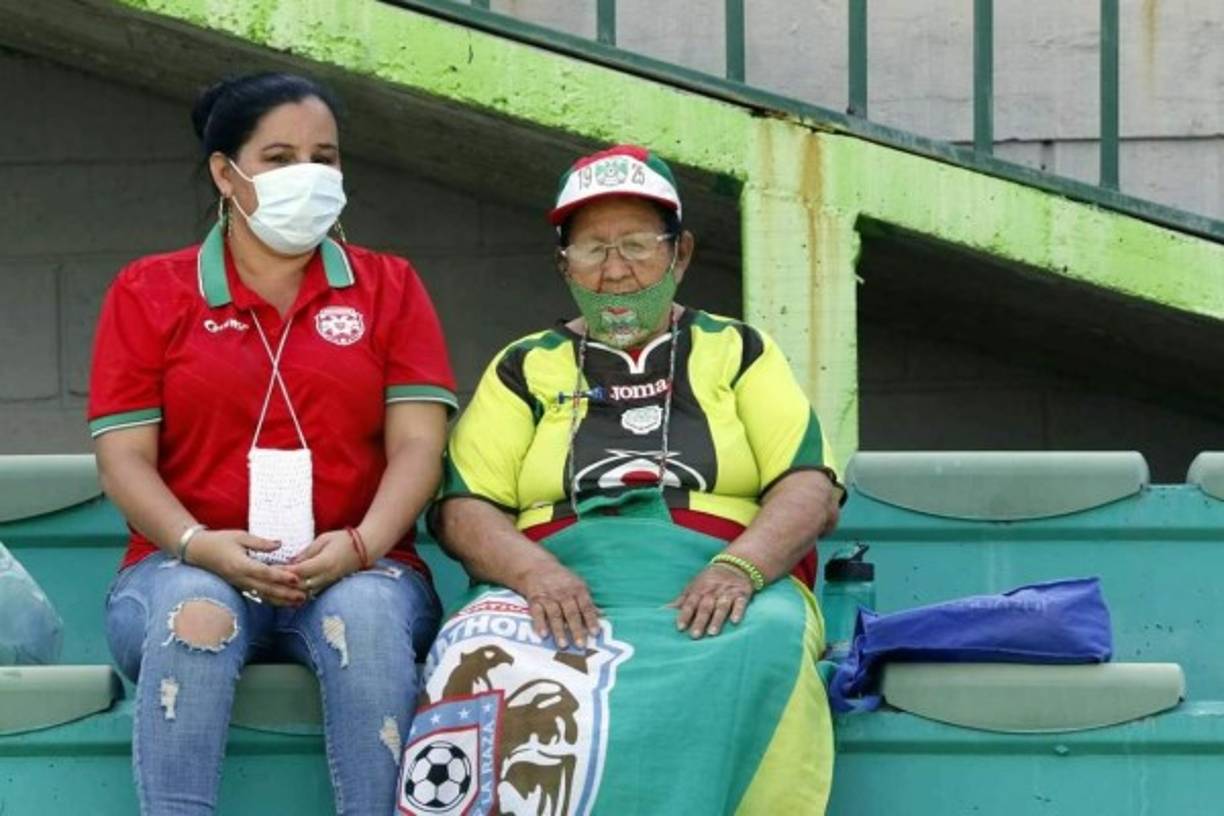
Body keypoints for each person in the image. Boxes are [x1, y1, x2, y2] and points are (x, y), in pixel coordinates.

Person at [404, 145, 843, 815]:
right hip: (552, 589)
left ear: (680, 253)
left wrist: (739, 569)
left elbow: (808, 483)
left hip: (717, 582)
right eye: (592, 250)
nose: (615, 271)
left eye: (637, 246)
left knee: (769, 640)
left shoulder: (739, 350)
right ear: (564, 265)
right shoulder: (525, 365)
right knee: (476, 647)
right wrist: (535, 575)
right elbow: (464, 507)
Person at [88, 72, 455, 815]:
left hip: (363, 569)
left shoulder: (389, 286)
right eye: (280, 158)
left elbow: (419, 445)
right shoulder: (149, 290)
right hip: (184, 567)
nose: (308, 176)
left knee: (367, 616)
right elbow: (123, 458)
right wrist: (197, 544)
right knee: (194, 607)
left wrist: (361, 545)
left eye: (325, 157)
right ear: (226, 174)